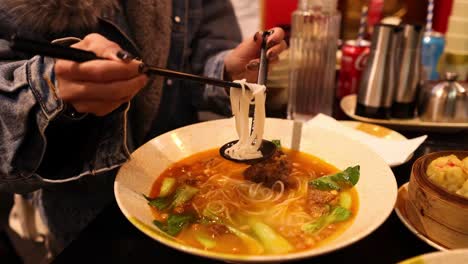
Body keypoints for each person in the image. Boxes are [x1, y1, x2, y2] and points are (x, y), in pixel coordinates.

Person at [0, 0, 287, 258]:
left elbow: (198, 52)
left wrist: (227, 72)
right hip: (87, 225)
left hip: (191, 187)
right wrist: (43, 89)